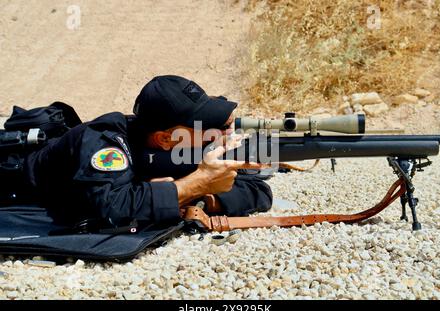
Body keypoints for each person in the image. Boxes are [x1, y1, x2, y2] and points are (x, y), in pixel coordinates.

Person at [23, 75, 273, 231]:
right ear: (165, 138)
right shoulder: (106, 141)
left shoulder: (181, 149)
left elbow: (258, 191)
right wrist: (196, 184)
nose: (220, 131)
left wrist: (201, 196)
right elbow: (112, 208)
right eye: (207, 126)